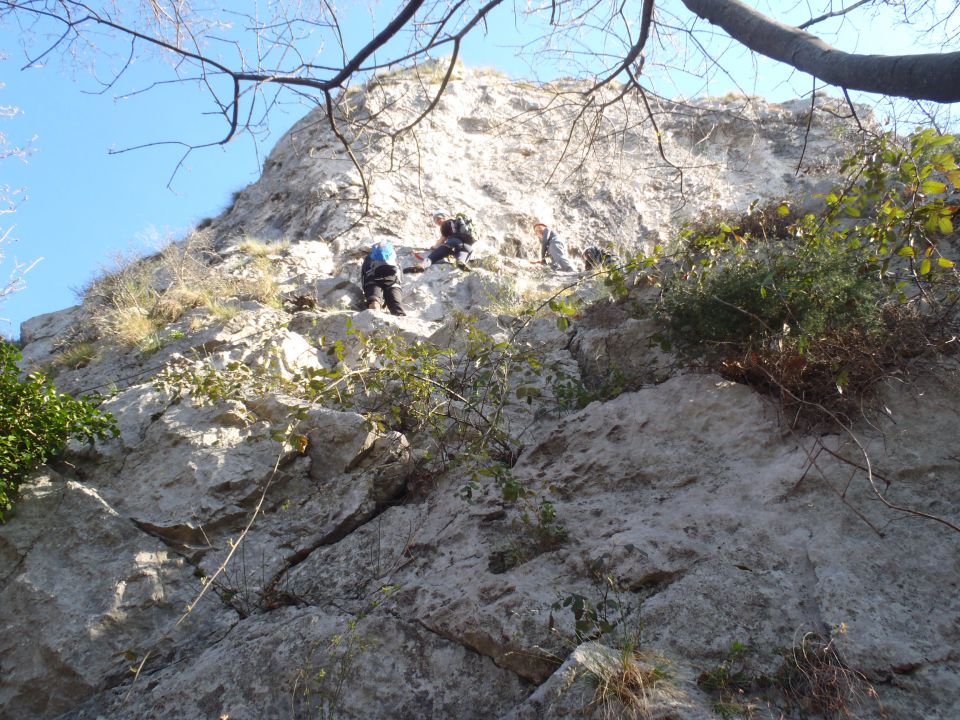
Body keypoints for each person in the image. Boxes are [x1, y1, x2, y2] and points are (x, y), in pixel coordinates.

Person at [408, 210, 474, 271]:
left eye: (438, 218)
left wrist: (434, 247)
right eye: (435, 220)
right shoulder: (458, 225)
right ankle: (463, 264)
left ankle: (422, 265)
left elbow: (442, 239)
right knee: (460, 258)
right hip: (467, 247)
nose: (437, 221)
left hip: (454, 242)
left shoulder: (446, 223)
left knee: (437, 253)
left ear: (445, 217)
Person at [360, 240, 406, 315]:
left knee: (374, 304)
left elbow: (363, 277)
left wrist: (367, 291)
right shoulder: (395, 257)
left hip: (373, 281)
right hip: (393, 282)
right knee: (397, 308)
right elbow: (400, 275)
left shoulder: (369, 258)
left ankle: (376, 319)